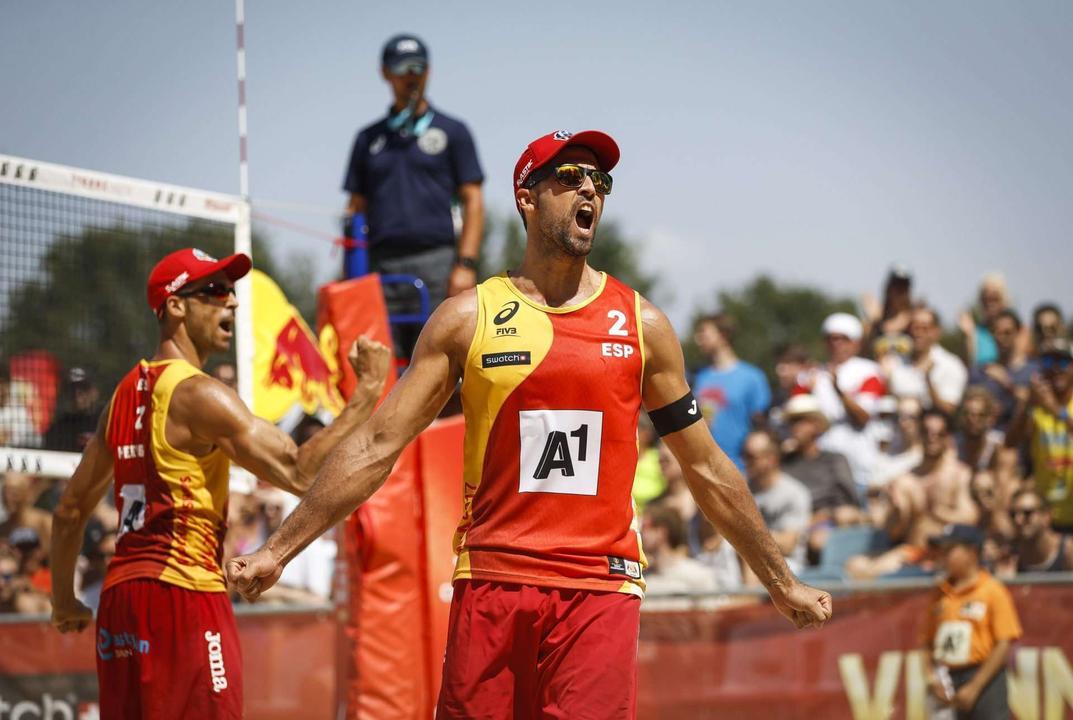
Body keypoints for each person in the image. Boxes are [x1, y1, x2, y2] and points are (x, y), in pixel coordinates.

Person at [229, 129, 832, 719]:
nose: (590, 191)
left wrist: (780, 581)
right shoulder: (469, 318)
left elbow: (704, 467)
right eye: (570, 179)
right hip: (494, 579)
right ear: (528, 196)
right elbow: (377, 445)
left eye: (601, 181)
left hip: (600, 585)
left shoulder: (642, 325)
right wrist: (279, 549)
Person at [48, 247, 390, 720]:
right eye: (212, 291)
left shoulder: (122, 397)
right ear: (175, 306)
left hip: (121, 598)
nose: (230, 301)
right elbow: (298, 472)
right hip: (184, 594)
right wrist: (366, 394)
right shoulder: (201, 394)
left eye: (230, 291)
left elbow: (68, 511)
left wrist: (64, 599)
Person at [342, 33, 485, 359]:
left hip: (437, 261)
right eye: (402, 68)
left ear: (428, 71)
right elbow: (355, 207)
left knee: (441, 359)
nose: (411, 76)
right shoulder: (368, 139)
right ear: (385, 73)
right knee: (380, 359)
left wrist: (466, 264)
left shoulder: (453, 131)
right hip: (380, 264)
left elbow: (473, 200)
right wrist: (352, 273)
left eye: (418, 68)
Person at [847, 410, 979, 580]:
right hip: (911, 550)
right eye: (927, 432)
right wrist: (898, 511)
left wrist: (935, 511)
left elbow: (970, 518)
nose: (933, 438)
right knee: (855, 567)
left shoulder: (959, 474)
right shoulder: (905, 480)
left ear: (947, 437)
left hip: (946, 552)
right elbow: (893, 533)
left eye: (939, 434)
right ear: (919, 434)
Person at [921, 524, 1021, 719]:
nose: (944, 555)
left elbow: (1003, 643)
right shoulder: (939, 593)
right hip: (946, 678)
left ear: (972, 552)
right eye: (942, 550)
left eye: (950, 549)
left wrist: (975, 686)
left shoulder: (992, 591)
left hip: (984, 678)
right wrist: (932, 680)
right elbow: (926, 643)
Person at [796, 312, 886, 489]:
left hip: (858, 465)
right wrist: (806, 389)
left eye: (843, 339)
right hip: (820, 466)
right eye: (831, 339)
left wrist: (839, 391)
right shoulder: (811, 375)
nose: (836, 344)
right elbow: (794, 416)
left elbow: (863, 417)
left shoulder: (869, 372)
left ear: (856, 343)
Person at [780, 394, 861, 561]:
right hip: (789, 525)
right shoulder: (784, 463)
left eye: (800, 421)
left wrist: (822, 517)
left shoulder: (834, 460)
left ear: (816, 425)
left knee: (819, 540)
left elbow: (849, 503)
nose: (794, 427)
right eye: (792, 422)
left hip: (827, 524)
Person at [1006, 338, 1073, 532]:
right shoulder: (1035, 407)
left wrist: (1054, 408)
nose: (1056, 369)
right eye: (1048, 363)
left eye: (1063, 363)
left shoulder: (1052, 406)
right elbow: (1011, 442)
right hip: (1046, 514)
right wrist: (1027, 403)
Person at [691, 313, 771, 470]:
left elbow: (762, 425)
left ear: (723, 335)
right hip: (705, 468)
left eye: (703, 333)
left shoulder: (752, 377)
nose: (698, 339)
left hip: (741, 468)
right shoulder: (697, 377)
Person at [741, 430, 812, 576]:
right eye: (744, 455)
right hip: (745, 557)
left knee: (752, 564)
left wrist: (745, 534)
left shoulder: (794, 493)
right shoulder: (740, 489)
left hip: (788, 565)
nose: (746, 462)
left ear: (771, 458)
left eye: (751, 457)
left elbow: (787, 545)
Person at [887, 305, 967, 416]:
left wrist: (928, 381)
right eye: (914, 327)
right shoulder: (894, 361)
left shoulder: (951, 364)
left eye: (924, 328)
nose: (918, 333)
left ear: (936, 332)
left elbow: (949, 410)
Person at [968, 309, 1035, 430]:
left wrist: (1008, 384)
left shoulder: (1032, 371)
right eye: (996, 332)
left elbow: (1036, 403)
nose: (1001, 338)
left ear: (1018, 333)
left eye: (1007, 332)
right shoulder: (981, 371)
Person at [640, 501, 719, 597]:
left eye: (645, 527)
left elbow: (711, 609)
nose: (640, 533)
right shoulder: (640, 579)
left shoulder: (698, 576)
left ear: (661, 532)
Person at [1011, 488, 1073, 573]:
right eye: (1013, 514)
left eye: (1027, 513)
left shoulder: (1068, 551)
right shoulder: (1012, 557)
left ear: (1046, 516)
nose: (1017, 520)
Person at [958, 273, 1013, 368]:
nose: (990, 304)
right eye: (985, 299)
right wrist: (969, 336)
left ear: (1004, 300)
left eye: (995, 299)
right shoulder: (975, 332)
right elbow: (969, 366)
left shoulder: (1016, 330)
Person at [45, 367, 103, 452]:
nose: (77, 396)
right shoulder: (59, 428)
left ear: (95, 392)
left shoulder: (107, 422)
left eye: (83, 390)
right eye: (72, 390)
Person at [0, 362, 40, 448]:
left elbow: (36, 440)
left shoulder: (19, 411)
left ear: (7, 385)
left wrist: (6, 436)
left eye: (1, 383)